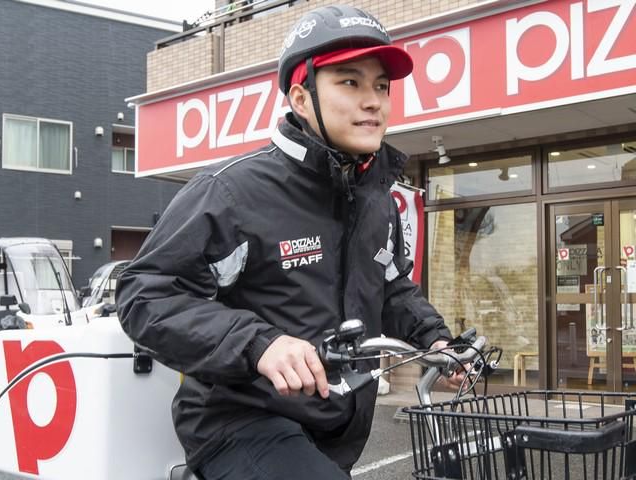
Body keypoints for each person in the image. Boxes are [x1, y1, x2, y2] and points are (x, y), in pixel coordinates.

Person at [116, 5, 462, 479]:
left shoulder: (378, 200)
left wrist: (435, 339)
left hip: (333, 428)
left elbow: (390, 286)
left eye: (382, 86)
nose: (373, 102)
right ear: (301, 98)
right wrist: (260, 344)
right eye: (350, 82)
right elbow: (144, 295)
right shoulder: (232, 192)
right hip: (239, 420)